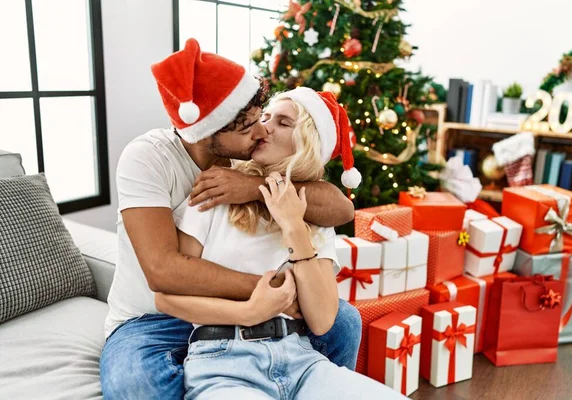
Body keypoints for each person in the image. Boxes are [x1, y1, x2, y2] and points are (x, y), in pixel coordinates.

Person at [100, 38, 362, 399]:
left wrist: (253, 187)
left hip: (243, 312)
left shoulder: (248, 161)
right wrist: (275, 293)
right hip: (152, 319)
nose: (262, 131)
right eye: (249, 126)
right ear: (210, 130)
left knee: (344, 322)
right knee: (136, 383)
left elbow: (341, 209)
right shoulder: (149, 157)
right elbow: (163, 273)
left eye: (264, 118)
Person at [157, 87, 405, 399]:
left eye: (283, 123)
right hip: (223, 365)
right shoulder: (218, 193)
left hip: (302, 363)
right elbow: (167, 299)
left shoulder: (315, 217)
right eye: (264, 117)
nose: (263, 127)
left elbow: (323, 320)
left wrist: (292, 225)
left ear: (307, 144)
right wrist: (248, 312)